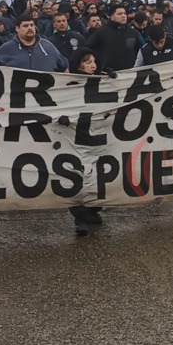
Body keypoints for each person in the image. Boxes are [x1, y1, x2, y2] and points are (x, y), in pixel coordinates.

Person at [67, 47, 106, 235]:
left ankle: (92, 210)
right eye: (88, 62)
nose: (93, 66)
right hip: (74, 137)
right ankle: (80, 217)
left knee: (98, 176)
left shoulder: (101, 82)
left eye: (94, 62)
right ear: (79, 64)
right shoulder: (70, 85)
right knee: (78, 176)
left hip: (97, 136)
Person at [0, 14, 69, 72]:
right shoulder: (6, 49)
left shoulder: (48, 47)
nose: (29, 28)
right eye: (25, 26)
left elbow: (64, 68)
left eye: (32, 25)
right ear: (17, 29)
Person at [83, 4, 140, 71]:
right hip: (108, 74)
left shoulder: (133, 33)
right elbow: (87, 48)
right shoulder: (101, 32)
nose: (123, 16)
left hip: (129, 74)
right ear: (112, 17)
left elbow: (139, 51)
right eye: (119, 14)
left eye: (124, 13)